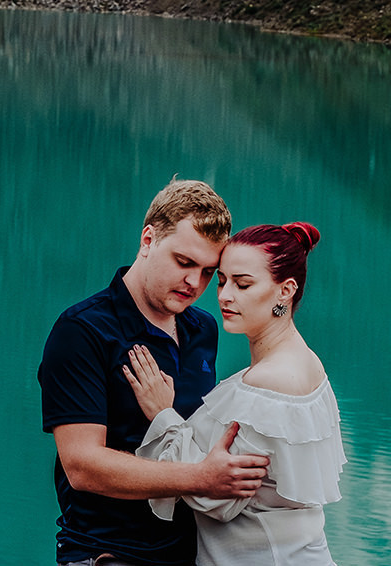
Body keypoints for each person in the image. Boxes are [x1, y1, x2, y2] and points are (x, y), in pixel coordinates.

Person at [39, 179, 271, 566]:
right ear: (148, 240)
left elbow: (190, 434)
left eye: (207, 271)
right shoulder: (82, 331)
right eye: (183, 262)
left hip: (190, 553)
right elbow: (82, 467)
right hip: (107, 555)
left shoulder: (203, 329)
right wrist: (201, 477)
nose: (194, 283)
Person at [124, 222, 345, 566]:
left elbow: (220, 498)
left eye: (243, 284)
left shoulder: (268, 383)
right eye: (223, 280)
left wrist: (163, 415)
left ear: (285, 291)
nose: (225, 296)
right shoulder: (304, 362)